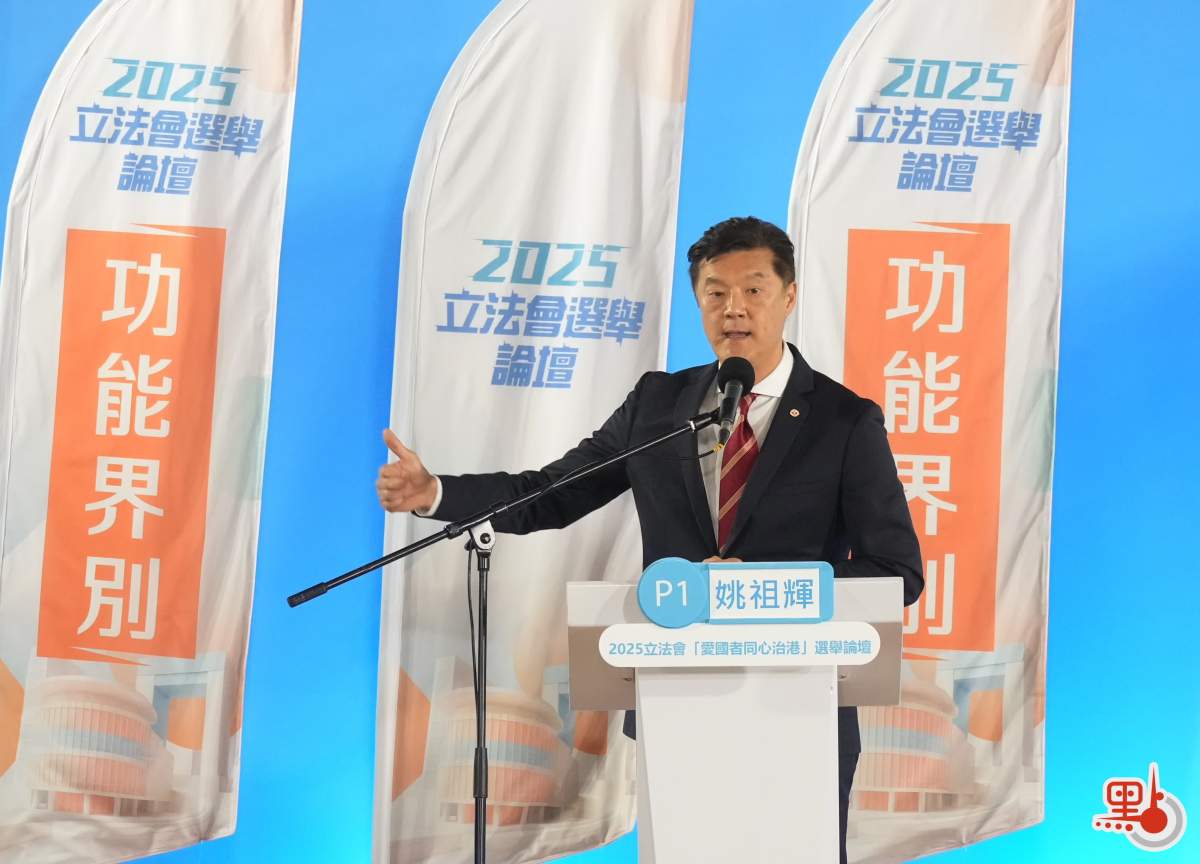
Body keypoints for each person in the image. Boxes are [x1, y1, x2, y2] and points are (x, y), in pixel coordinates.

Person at [377, 216, 923, 863]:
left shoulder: (844, 420)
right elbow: (552, 491)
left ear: (790, 296)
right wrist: (437, 493)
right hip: (678, 698)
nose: (734, 308)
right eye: (715, 293)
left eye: (753, 290)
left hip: (803, 705)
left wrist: (763, 589)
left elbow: (898, 571)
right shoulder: (660, 405)